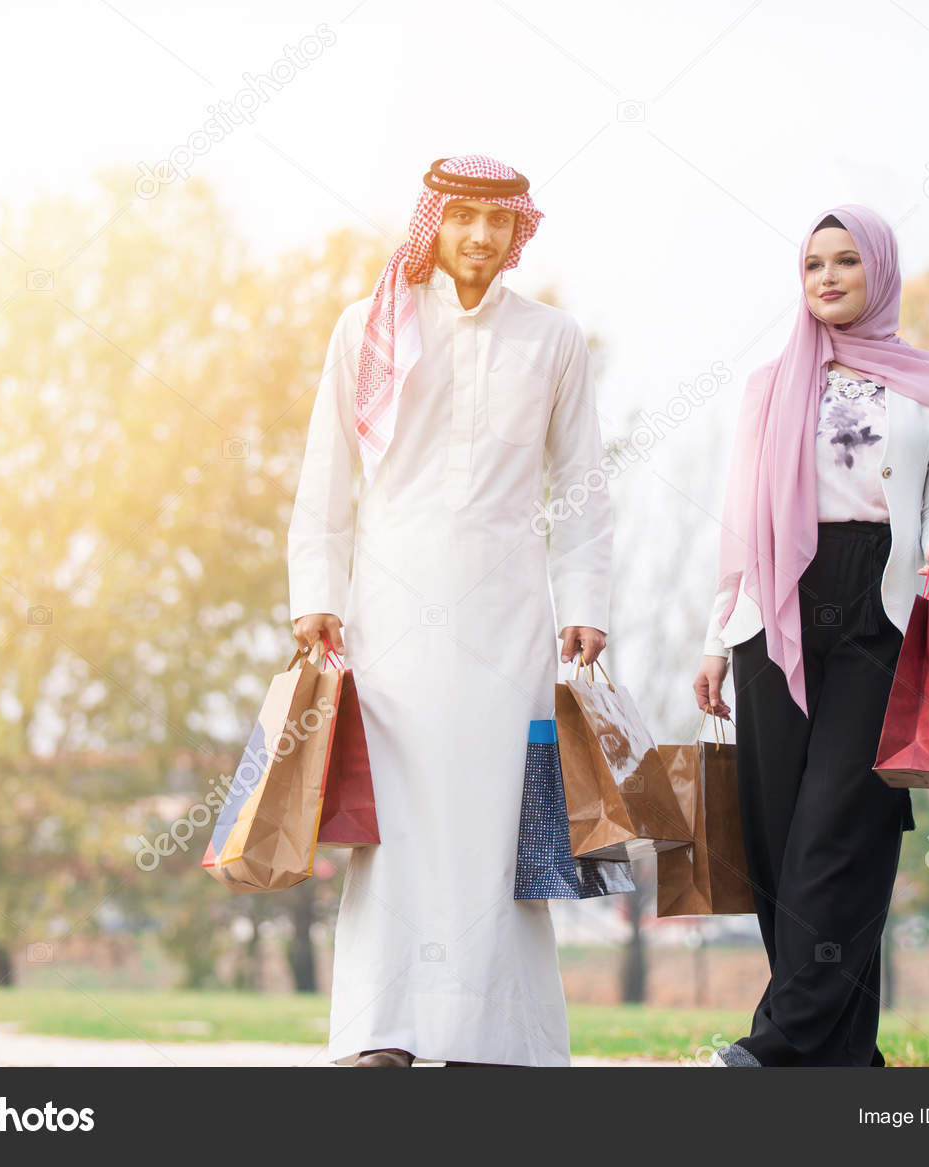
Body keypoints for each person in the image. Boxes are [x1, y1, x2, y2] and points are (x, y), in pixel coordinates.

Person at [287, 155, 612, 1068]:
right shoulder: (370, 325)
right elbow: (328, 471)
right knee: (395, 823)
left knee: (496, 819)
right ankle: (380, 1034)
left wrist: (587, 600)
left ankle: (491, 1037)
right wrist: (314, 591)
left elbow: (582, 482)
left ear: (520, 231)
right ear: (436, 222)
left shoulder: (554, 338)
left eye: (496, 220)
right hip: (389, 606)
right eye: (462, 216)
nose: (478, 235)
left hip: (510, 610)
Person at [692, 204, 929, 1067]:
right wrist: (714, 640)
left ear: (880, 272)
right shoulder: (767, 387)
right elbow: (741, 526)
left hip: (879, 610)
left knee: (837, 829)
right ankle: (846, 1061)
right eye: (813, 263)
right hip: (774, 611)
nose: (827, 277)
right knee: (778, 839)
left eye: (846, 261)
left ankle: (776, 1046)